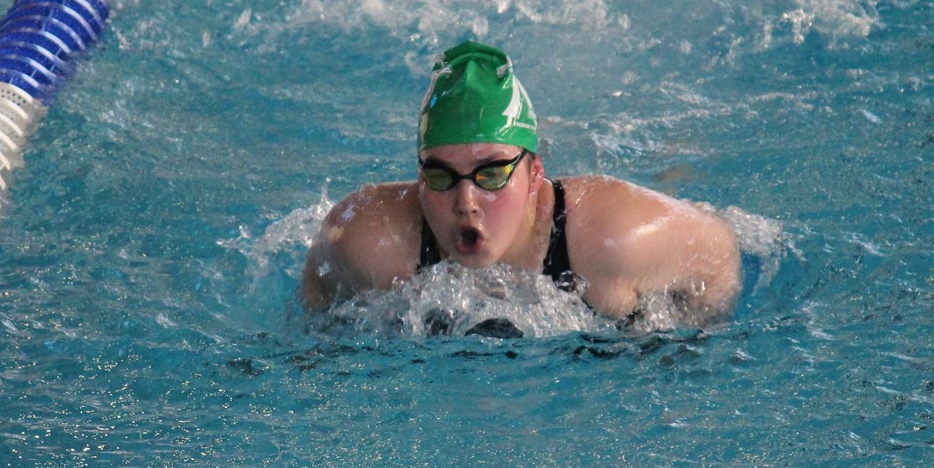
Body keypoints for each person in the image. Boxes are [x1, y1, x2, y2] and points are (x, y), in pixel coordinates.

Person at [301, 40, 742, 325]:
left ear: (534, 175)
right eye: (440, 175)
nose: (465, 200)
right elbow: (315, 307)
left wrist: (679, 345)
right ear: (419, 179)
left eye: (491, 173)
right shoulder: (370, 240)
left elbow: (719, 252)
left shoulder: (611, 241)